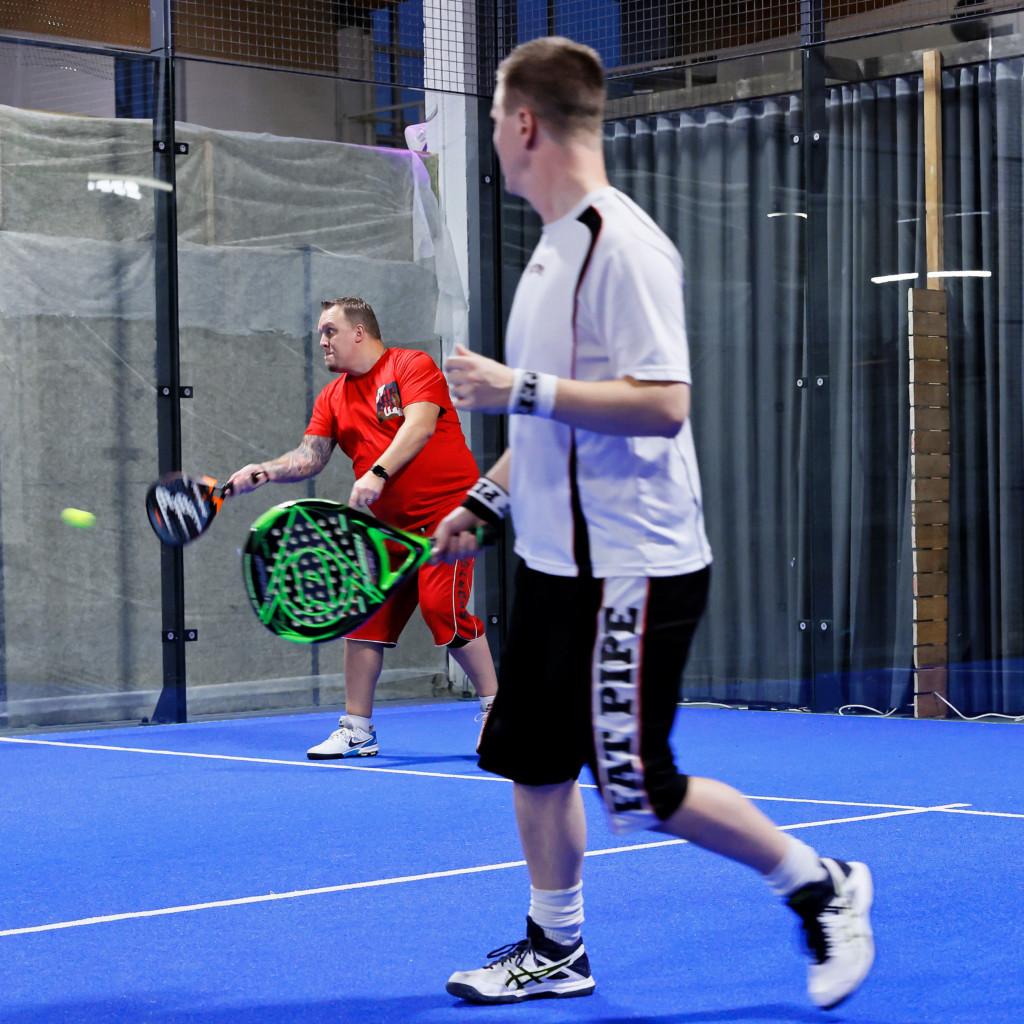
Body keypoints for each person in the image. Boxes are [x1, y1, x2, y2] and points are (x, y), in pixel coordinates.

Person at [431, 37, 875, 1011]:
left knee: (638, 785)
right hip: (556, 568)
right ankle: (557, 946)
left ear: (522, 124)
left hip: (633, 568)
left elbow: (662, 400)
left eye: (495, 122)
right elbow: (561, 423)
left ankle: (821, 884)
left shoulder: (619, 247)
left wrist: (519, 388)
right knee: (533, 761)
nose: (495, 143)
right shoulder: (550, 252)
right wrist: (485, 501)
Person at [228, 297, 498, 759]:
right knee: (365, 617)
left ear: (359, 332)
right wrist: (265, 470)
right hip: (390, 530)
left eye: (330, 331)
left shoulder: (410, 364)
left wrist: (377, 472)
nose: (323, 342)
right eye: (319, 334)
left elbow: (420, 425)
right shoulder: (332, 397)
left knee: (441, 609)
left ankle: (500, 708)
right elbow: (310, 456)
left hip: (450, 515)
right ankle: (357, 729)